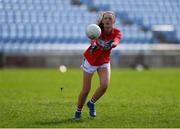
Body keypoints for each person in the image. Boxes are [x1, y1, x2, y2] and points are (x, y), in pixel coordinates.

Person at [74, 11, 122, 120]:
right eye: (105, 18)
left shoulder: (117, 32)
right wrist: (94, 45)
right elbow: (93, 40)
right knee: (86, 90)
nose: (108, 20)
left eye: (110, 18)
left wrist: (112, 44)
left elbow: (116, 41)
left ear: (113, 21)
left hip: (104, 61)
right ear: (102, 20)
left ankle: (91, 103)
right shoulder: (97, 29)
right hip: (90, 61)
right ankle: (78, 111)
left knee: (104, 85)